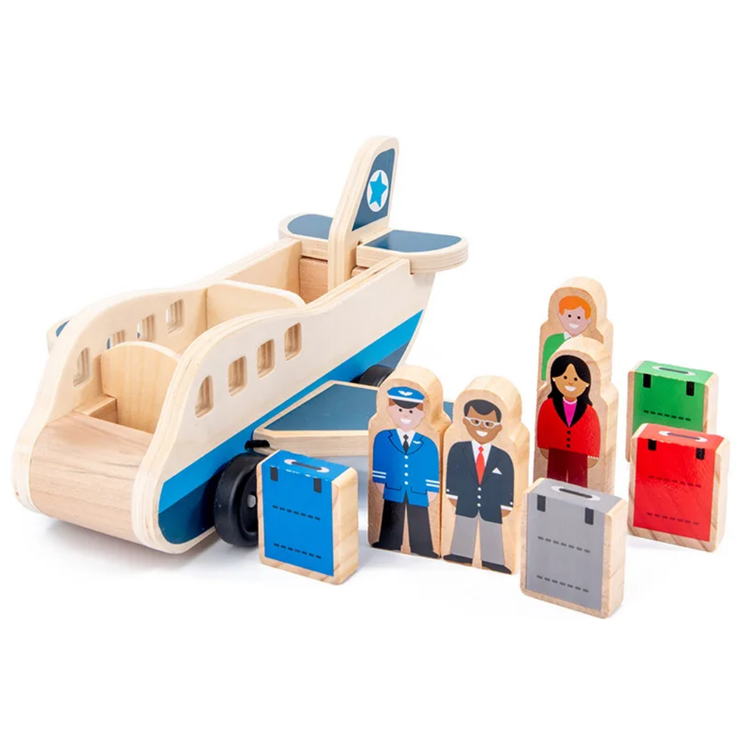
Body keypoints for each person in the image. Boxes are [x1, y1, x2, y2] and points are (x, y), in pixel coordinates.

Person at [444, 399, 514, 573]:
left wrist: (507, 504)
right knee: (463, 525)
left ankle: (494, 561)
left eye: (489, 424)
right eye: (475, 422)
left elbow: (508, 481)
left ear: (499, 427)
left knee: (492, 530)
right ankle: (460, 554)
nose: (482, 427)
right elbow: (452, 472)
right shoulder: (458, 449)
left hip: (492, 504)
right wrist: (451, 493)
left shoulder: (503, 456)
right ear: (465, 422)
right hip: (465, 499)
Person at [371, 387, 440, 557]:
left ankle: (422, 546)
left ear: (422, 414)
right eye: (400, 410)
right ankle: (389, 541)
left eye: (411, 411)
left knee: (419, 516)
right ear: (390, 410)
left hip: (418, 489)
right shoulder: (383, 437)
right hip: (394, 486)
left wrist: (432, 489)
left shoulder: (428, 442)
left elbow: (432, 467)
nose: (405, 415)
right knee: (391, 513)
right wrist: (380, 482)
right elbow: (380, 461)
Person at [537, 355, 600, 487]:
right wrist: (543, 446)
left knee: (578, 482)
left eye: (576, 379)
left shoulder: (589, 411)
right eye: (565, 377)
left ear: (586, 383)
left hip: (580, 454)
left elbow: (594, 433)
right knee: (554, 480)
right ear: (554, 379)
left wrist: (593, 454)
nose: (570, 383)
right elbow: (543, 426)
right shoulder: (548, 405)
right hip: (556, 451)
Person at [540, 295, 592, 380]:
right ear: (560, 316)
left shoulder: (589, 344)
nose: (574, 321)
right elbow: (545, 371)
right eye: (569, 316)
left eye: (579, 317)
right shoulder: (552, 341)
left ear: (588, 320)